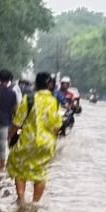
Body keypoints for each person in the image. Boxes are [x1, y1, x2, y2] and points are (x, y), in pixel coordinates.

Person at [7, 72, 64, 203]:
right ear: (49, 85)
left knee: (19, 169)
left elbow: (17, 123)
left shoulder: (28, 99)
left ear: (36, 84)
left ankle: (21, 199)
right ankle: (35, 203)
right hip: (46, 144)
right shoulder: (54, 102)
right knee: (40, 173)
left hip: (27, 142)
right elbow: (57, 127)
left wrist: (10, 136)